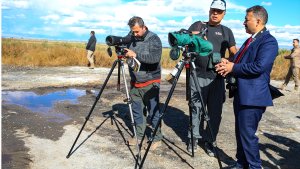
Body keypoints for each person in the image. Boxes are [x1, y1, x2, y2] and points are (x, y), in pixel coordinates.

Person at [215, 5, 278, 169]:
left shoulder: (269, 41)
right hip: (242, 94)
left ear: (258, 21)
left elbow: (259, 67)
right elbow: (241, 61)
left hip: (253, 97)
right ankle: (241, 163)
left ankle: (254, 166)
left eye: (246, 19)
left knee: (248, 135)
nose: (243, 23)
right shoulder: (250, 40)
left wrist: (233, 68)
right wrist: (229, 62)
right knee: (241, 133)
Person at [184, 0, 237, 156]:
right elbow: (187, 44)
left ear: (224, 14)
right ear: (209, 10)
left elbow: (234, 52)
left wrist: (228, 62)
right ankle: (193, 139)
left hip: (217, 78)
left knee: (215, 112)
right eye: (213, 10)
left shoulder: (227, 31)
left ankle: (210, 141)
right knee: (196, 109)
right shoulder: (197, 25)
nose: (215, 13)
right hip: (197, 75)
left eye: (219, 11)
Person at [124, 16, 163, 151]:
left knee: (153, 112)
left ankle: (156, 138)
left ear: (143, 26)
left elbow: (154, 58)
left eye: (137, 31)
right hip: (135, 81)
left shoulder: (154, 39)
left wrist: (135, 55)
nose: (134, 34)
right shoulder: (131, 36)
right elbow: (126, 46)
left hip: (151, 81)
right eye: (132, 31)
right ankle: (139, 135)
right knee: (137, 111)